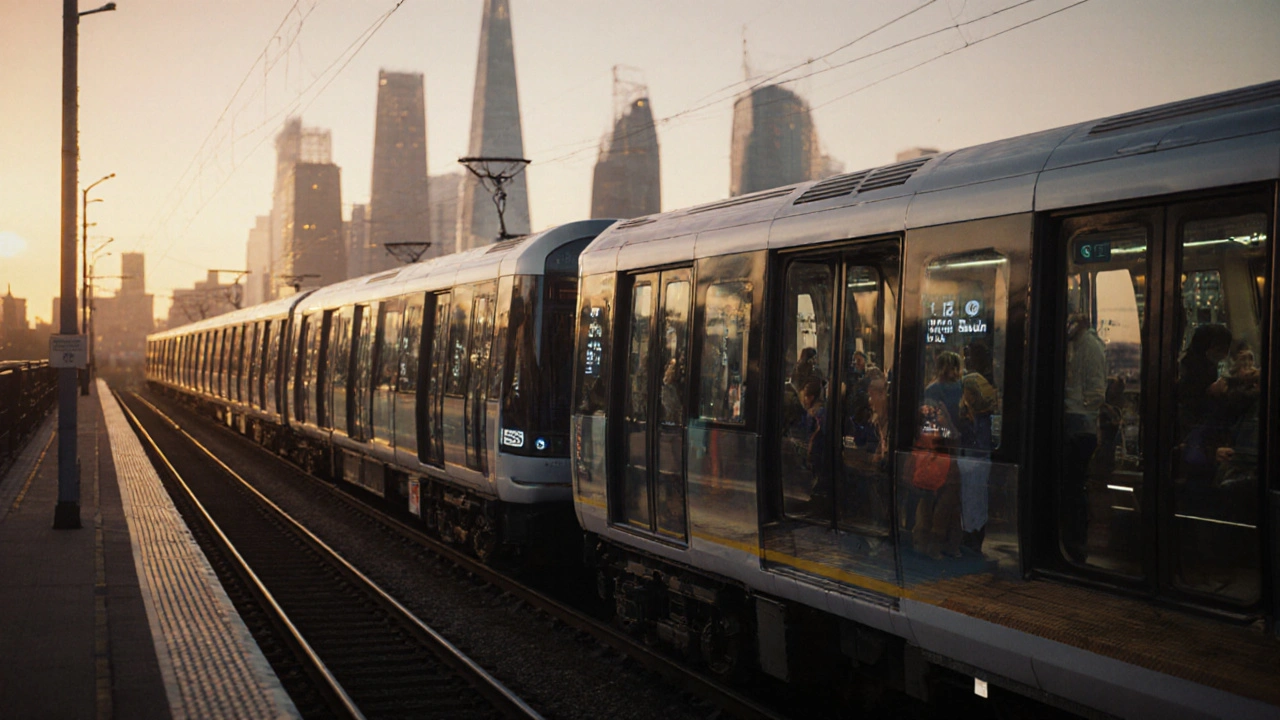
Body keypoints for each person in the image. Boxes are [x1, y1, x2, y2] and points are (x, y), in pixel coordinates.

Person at [1061, 312, 1106, 564]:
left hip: (1079, 423)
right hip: (1078, 421)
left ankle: (1076, 543)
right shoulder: (1076, 345)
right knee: (1072, 488)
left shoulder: (1088, 346)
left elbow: (1095, 390)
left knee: (1073, 488)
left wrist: (1080, 406)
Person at [958, 342, 998, 552]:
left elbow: (978, 445)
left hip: (975, 466)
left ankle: (972, 539)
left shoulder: (979, 420)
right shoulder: (976, 417)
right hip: (974, 466)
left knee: (973, 504)